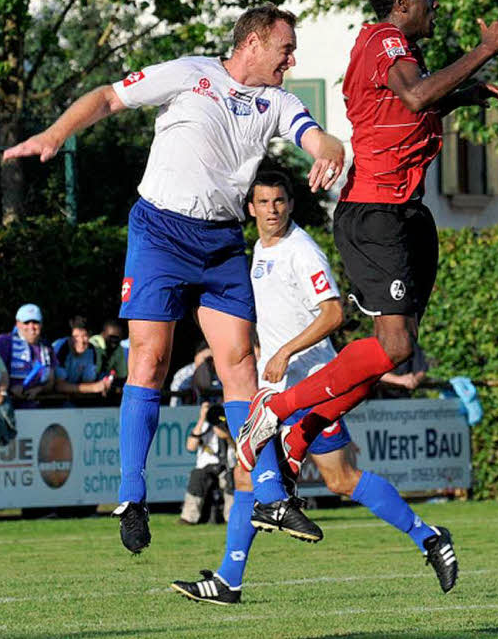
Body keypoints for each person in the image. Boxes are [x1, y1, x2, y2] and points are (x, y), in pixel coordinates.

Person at [2, 4, 345, 554]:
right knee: (149, 358)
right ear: (253, 43)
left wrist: (328, 144)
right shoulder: (190, 73)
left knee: (241, 365)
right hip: (160, 233)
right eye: (286, 47)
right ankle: (132, 496)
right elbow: (109, 96)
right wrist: (55, 132)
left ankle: (270, 493)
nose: (293, 58)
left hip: (222, 241)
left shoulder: (279, 100)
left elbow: (311, 134)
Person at [234, 0, 498, 481]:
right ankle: (276, 411)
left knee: (392, 351)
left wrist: (464, 94)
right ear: (402, 4)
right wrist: (485, 51)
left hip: (408, 212)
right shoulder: (384, 39)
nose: (435, 4)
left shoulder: (404, 52)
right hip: (375, 213)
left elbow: (409, 109)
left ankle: (302, 431)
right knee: (396, 346)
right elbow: (415, 95)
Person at [171, 170, 457, 604]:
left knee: (328, 478)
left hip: (311, 386)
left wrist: (284, 352)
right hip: (278, 388)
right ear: (251, 209)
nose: (272, 210)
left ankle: (428, 536)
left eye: (280, 202)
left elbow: (333, 314)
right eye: (264, 203)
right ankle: (229, 579)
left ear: (291, 204)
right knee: (264, 476)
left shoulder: (302, 251)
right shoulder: (258, 252)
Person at [179, 402, 235, 525]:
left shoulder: (231, 425)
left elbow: (238, 450)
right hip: (205, 467)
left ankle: (232, 517)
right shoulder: (203, 427)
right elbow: (190, 446)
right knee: (197, 476)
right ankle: (188, 517)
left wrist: (227, 437)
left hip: (226, 468)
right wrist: (203, 418)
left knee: (231, 478)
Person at [0, 304, 55, 407]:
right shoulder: (3, 342)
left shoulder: (46, 347)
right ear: (18, 324)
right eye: (26, 322)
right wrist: (9, 388)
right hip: (5, 405)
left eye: (35, 322)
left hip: (38, 405)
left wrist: (38, 389)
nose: (31, 327)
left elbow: (51, 380)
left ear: (41, 324)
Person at [52, 316, 114, 402]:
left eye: (85, 335)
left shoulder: (92, 350)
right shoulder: (60, 349)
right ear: (69, 337)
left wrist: (104, 384)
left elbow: (89, 381)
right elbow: (59, 386)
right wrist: (93, 388)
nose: (81, 341)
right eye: (76, 336)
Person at [169, 341, 212, 406]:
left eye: (213, 359)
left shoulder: (219, 373)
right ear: (196, 357)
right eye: (207, 359)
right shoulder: (185, 374)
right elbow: (175, 404)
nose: (210, 363)